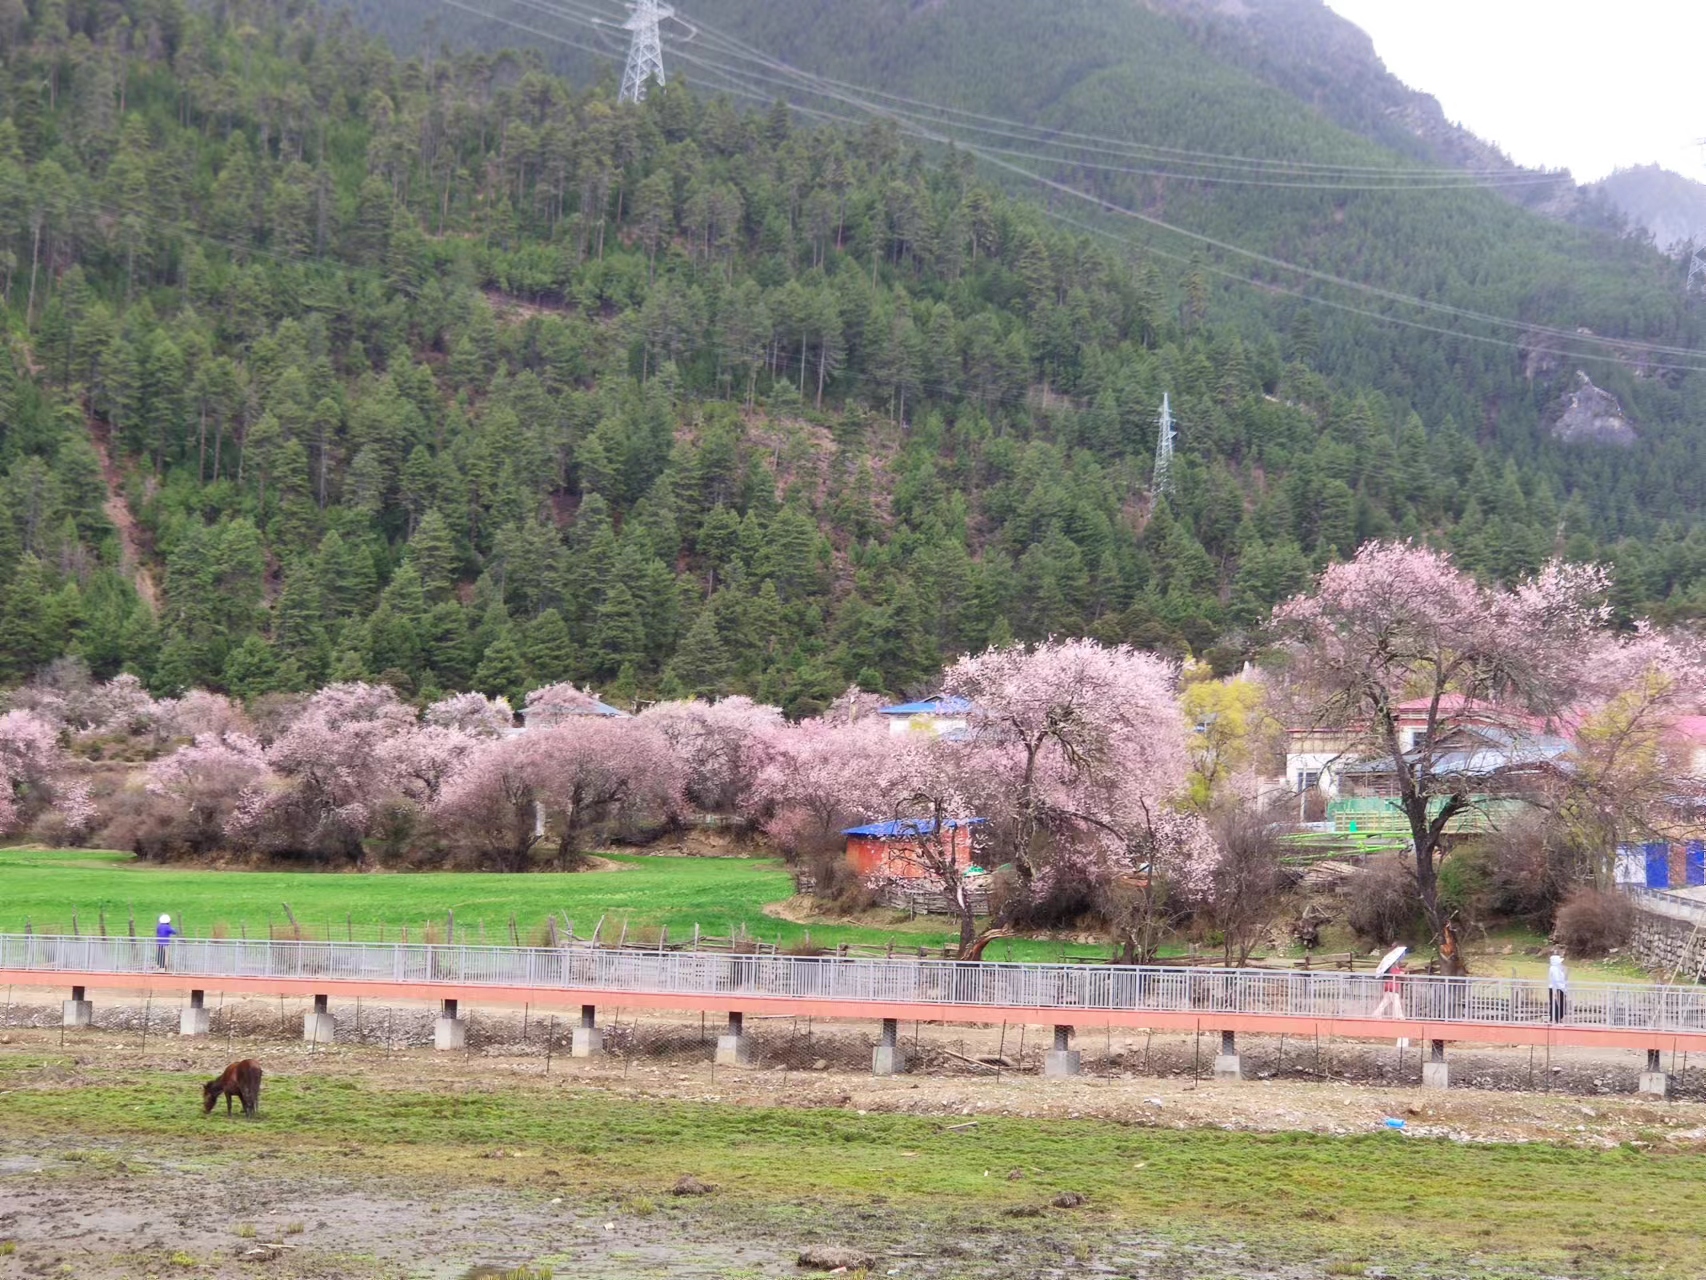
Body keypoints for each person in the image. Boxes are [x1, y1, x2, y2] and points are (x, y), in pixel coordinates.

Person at [1548, 954, 1568, 1023]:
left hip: (1557, 988)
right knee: (1558, 1003)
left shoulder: (1557, 969)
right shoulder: (1555, 969)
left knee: (1558, 1003)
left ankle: (1556, 1017)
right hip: (1557, 988)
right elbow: (1557, 980)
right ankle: (1556, 1018)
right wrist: (1563, 988)